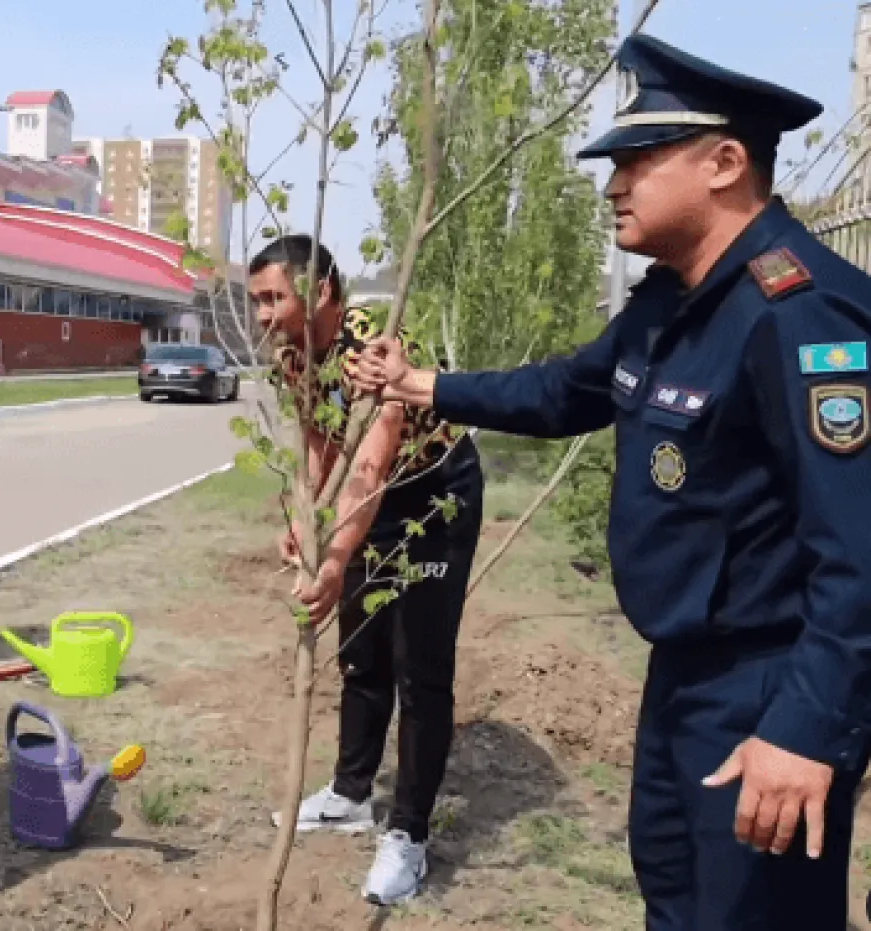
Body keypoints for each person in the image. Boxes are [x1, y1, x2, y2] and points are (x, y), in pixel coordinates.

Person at [351, 34, 871, 931]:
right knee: (673, 896)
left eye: (636, 159)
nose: (612, 185)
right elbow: (565, 390)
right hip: (681, 678)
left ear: (725, 162)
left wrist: (808, 727)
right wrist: (422, 385)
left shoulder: (803, 314)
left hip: (769, 691)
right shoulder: (669, 302)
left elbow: (860, 549)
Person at [248, 234, 485, 905]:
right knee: (361, 651)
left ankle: (408, 835)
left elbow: (373, 462)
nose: (263, 314)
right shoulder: (291, 355)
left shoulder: (373, 347)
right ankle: (352, 794)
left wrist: (336, 558)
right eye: (256, 300)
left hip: (434, 492)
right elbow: (323, 444)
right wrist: (308, 520)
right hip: (369, 494)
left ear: (318, 291)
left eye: (274, 297)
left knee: (421, 666)